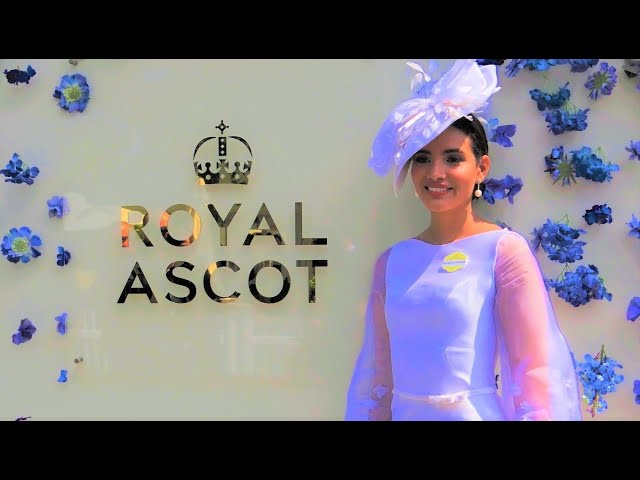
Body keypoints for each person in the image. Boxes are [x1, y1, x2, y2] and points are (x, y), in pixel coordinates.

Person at [344, 59, 582, 421]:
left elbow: (535, 371)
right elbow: (375, 375)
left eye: (453, 158)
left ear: (481, 168)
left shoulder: (503, 250)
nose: (436, 173)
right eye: (422, 159)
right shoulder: (392, 262)